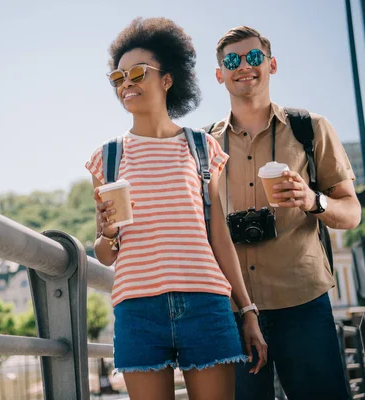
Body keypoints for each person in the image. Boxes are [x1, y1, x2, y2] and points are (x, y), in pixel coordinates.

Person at [84, 17, 267, 400]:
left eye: (137, 73)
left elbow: (219, 237)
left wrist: (247, 310)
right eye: (118, 78)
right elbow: (104, 255)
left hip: (206, 305)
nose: (126, 84)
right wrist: (108, 231)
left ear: (168, 79)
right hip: (137, 312)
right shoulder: (108, 158)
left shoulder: (202, 148)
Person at [209, 25, 362, 400]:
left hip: (304, 303)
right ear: (220, 74)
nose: (244, 66)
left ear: (272, 64)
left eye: (254, 57)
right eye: (232, 60)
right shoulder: (205, 145)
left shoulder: (310, 129)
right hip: (234, 310)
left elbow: (352, 212)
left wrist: (313, 200)